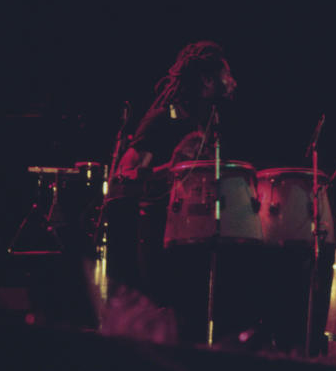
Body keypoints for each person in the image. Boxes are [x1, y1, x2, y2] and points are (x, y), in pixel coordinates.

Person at [104, 40, 243, 342]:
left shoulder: (209, 120)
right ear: (207, 80)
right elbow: (122, 179)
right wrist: (171, 168)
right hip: (160, 243)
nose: (234, 82)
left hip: (193, 239)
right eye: (226, 74)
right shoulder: (163, 119)